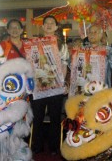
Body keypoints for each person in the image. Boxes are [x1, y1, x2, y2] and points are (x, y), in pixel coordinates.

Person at [31, 15, 67, 155]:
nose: (49, 25)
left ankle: (54, 147)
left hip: (55, 86)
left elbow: (64, 64)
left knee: (55, 117)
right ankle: (37, 146)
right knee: (37, 117)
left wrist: (61, 83)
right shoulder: (34, 43)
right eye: (46, 23)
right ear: (42, 26)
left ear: (56, 27)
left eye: (52, 23)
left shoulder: (61, 45)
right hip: (39, 85)